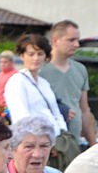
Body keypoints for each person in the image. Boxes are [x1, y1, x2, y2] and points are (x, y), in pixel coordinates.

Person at [4, 34, 73, 170]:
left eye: (40, 54)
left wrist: (60, 136)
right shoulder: (17, 81)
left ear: (45, 56)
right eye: (31, 54)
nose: (35, 58)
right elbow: (22, 118)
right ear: (22, 55)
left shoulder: (44, 83)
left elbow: (55, 112)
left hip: (56, 141)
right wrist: (42, 144)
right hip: (35, 146)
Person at [40, 20, 96, 148]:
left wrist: (93, 146)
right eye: (71, 40)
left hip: (74, 143)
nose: (76, 44)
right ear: (55, 41)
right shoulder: (41, 71)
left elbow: (84, 110)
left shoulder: (80, 69)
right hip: (50, 145)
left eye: (78, 40)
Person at [0, 50, 17, 118]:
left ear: (11, 62)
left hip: (4, 110)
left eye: (5, 62)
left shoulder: (15, 76)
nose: (2, 64)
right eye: (1, 62)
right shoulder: (1, 74)